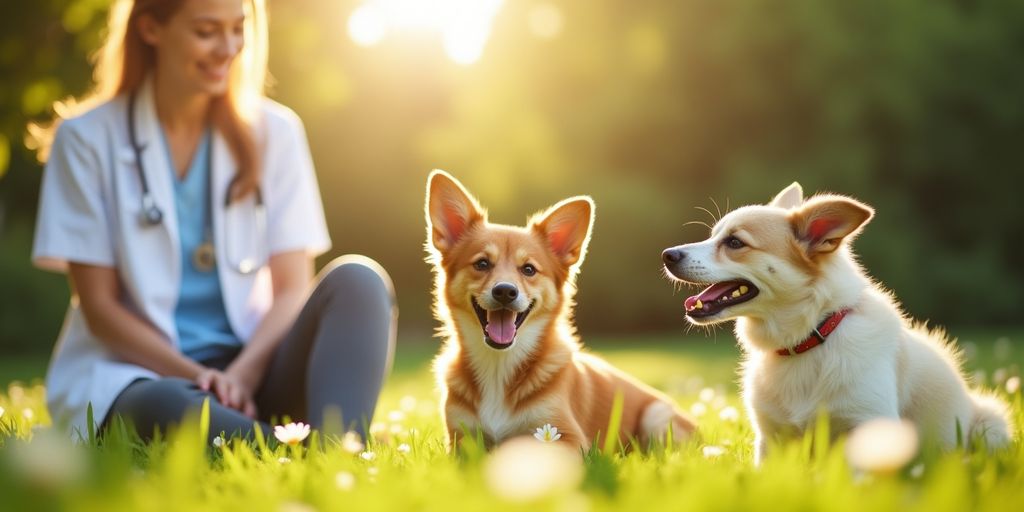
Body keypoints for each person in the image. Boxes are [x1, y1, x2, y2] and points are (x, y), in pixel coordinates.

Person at [29, 0, 396, 443]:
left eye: (238, 29)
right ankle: (304, 449)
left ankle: (338, 444)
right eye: (206, 31)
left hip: (255, 368)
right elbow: (100, 309)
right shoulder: (85, 138)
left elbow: (292, 289)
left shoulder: (277, 132)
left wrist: (241, 374)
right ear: (150, 29)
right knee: (168, 406)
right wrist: (202, 377)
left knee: (359, 280)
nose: (229, 48)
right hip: (143, 375)